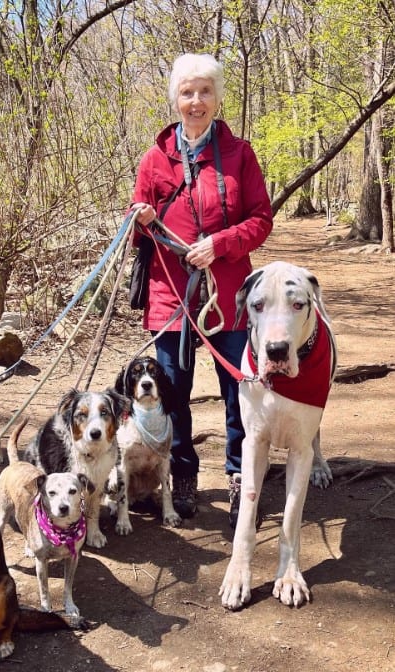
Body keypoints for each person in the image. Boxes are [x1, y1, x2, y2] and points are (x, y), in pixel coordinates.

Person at [129, 53, 273, 525]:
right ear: (176, 98)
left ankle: (239, 475)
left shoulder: (239, 154)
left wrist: (221, 244)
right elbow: (140, 224)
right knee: (174, 390)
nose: (196, 101)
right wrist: (142, 219)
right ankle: (183, 475)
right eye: (187, 93)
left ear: (217, 98)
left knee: (238, 388)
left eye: (204, 92)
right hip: (170, 293)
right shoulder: (154, 158)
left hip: (227, 294)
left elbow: (261, 219)